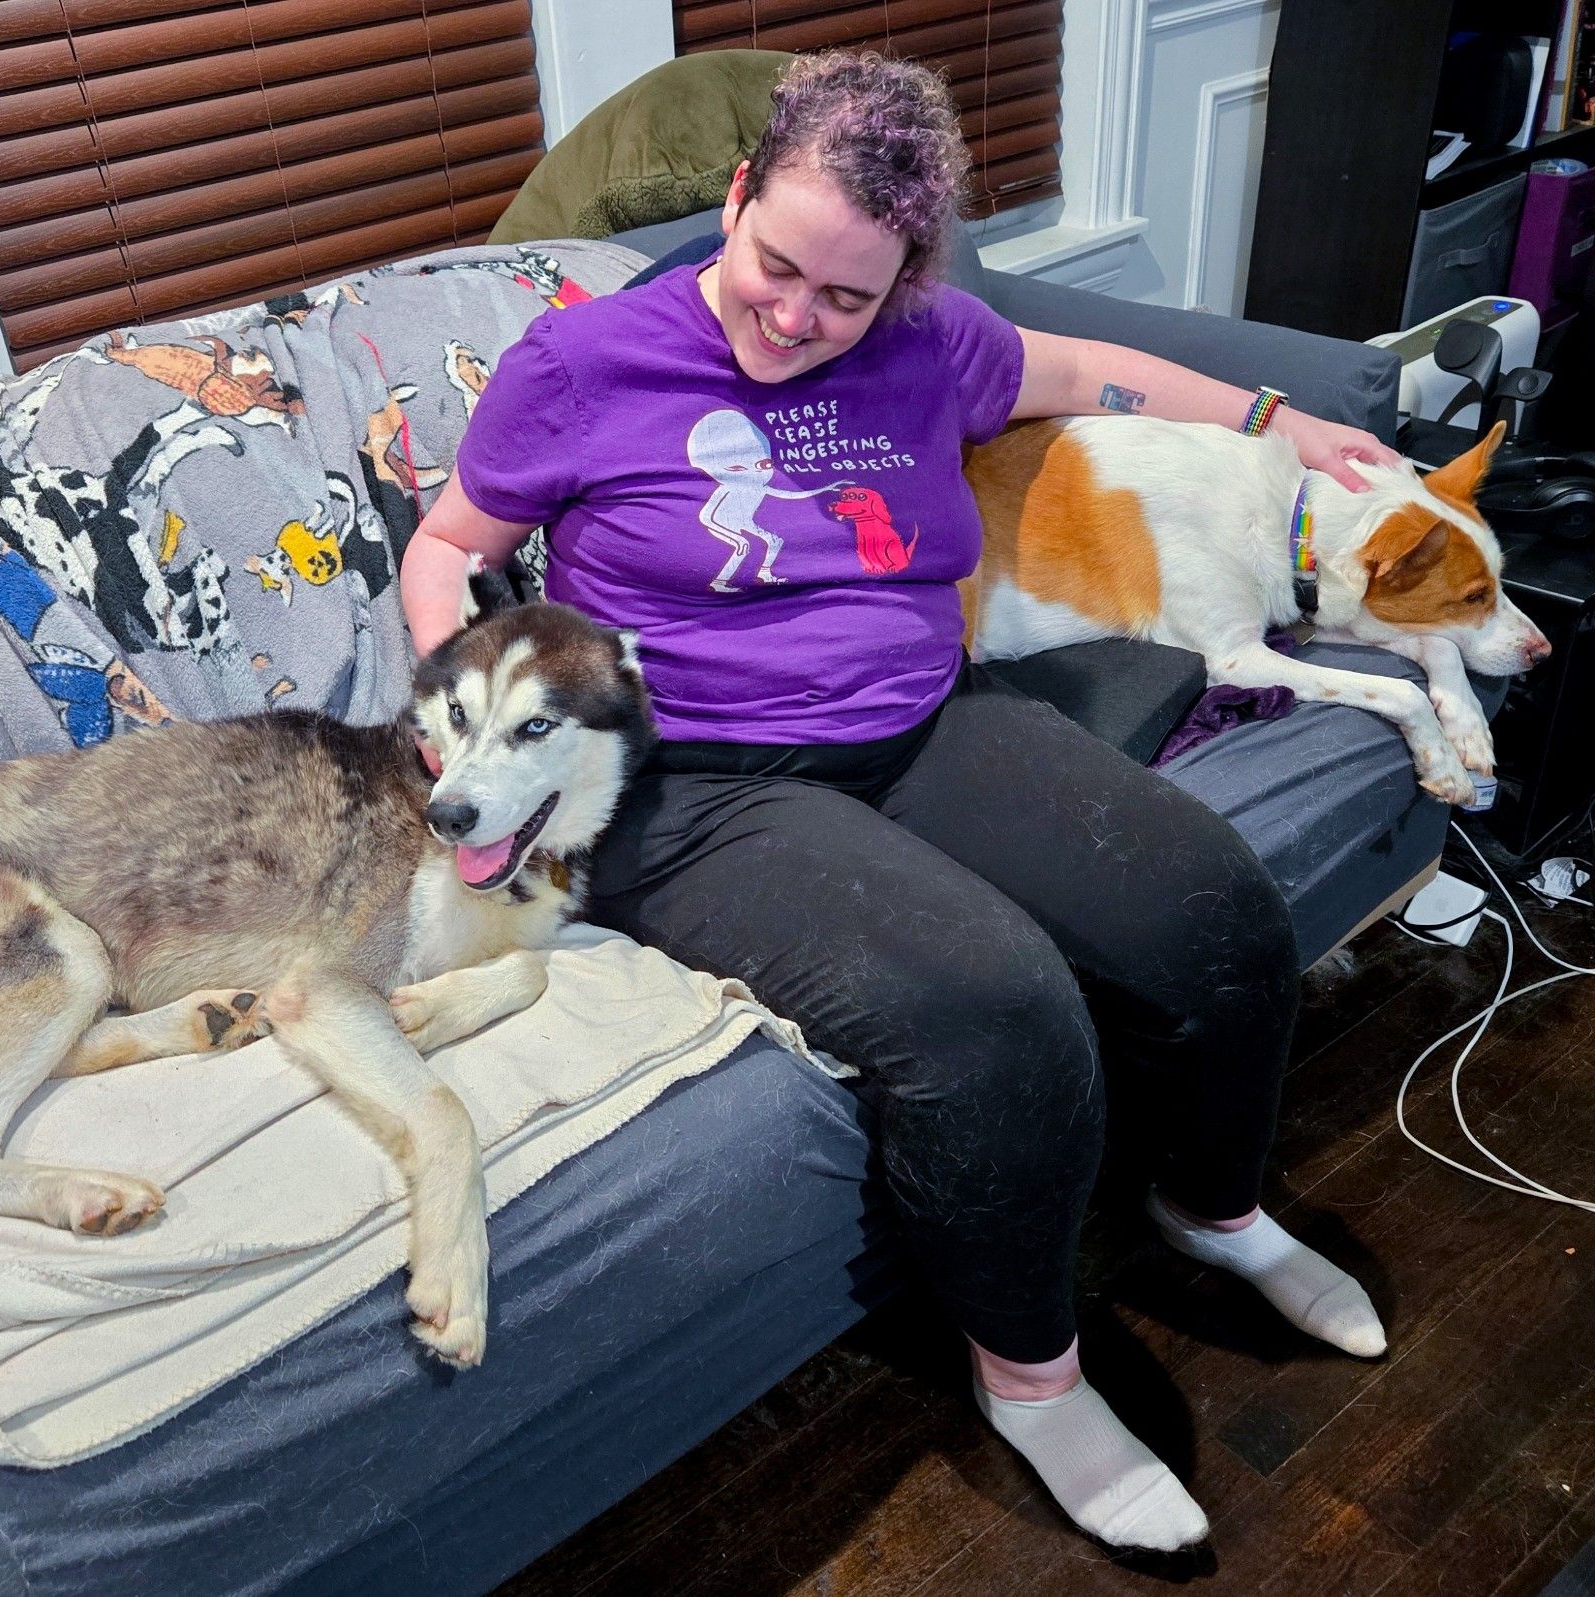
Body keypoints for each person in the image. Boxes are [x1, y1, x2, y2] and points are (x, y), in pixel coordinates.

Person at [397, 49, 1397, 1553]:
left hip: (923, 721)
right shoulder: (585, 363)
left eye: (844, 297)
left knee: (1215, 911)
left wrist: (1279, 421)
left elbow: (1083, 372)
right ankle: (1032, 1372)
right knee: (995, 1004)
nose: (795, 319)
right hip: (697, 782)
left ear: (909, 283)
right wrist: (455, 703)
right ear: (737, 197)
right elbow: (444, 544)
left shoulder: (938, 342)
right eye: (773, 263)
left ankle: (1213, 1206)